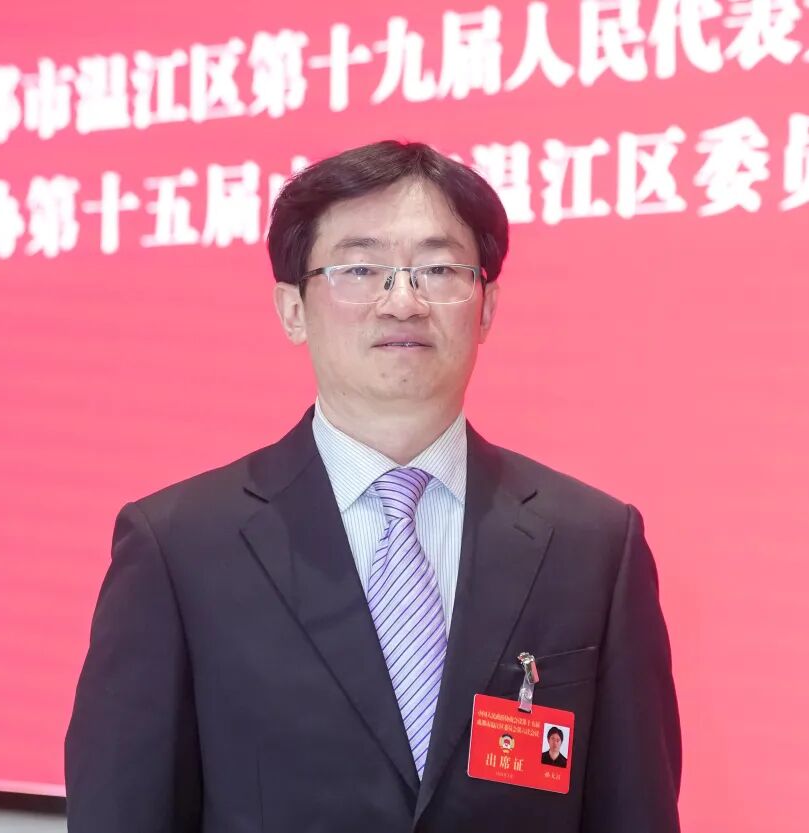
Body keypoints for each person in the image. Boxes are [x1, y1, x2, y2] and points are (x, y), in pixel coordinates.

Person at [65, 140, 682, 833]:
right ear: (292, 309)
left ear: (485, 307)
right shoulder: (178, 547)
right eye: (360, 268)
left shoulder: (593, 544)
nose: (403, 301)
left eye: (438, 269)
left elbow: (636, 810)